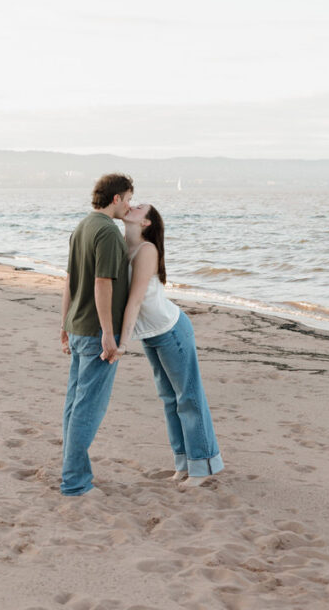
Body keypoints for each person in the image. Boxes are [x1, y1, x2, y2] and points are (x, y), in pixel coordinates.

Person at [106, 202, 223, 488]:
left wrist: (122, 343)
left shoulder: (147, 250)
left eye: (138, 208)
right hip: (151, 334)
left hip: (171, 330)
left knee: (188, 398)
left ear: (146, 223)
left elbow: (134, 300)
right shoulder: (123, 245)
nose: (130, 206)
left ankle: (203, 466)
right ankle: (183, 464)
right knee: (170, 399)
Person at [59, 173, 133, 496]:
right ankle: (74, 482)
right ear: (116, 198)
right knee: (88, 409)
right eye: (128, 199)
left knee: (75, 406)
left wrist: (64, 324)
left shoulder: (82, 227)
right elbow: (102, 283)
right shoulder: (107, 232)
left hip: (78, 327)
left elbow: (69, 281)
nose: (129, 206)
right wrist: (108, 333)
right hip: (94, 335)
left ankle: (74, 475)